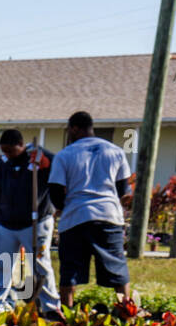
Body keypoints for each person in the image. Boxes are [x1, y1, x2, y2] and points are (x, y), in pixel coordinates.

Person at [49, 111, 133, 308]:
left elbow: (54, 190)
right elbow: (123, 188)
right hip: (109, 215)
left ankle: (68, 317)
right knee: (117, 266)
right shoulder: (115, 151)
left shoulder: (65, 155)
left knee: (70, 271)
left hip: (75, 217)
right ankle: (126, 313)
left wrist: (62, 207)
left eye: (69, 130)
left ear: (75, 128)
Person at [0, 129, 57, 316]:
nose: (7, 154)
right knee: (2, 265)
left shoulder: (38, 160)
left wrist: (44, 160)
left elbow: (56, 168)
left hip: (35, 222)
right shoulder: (3, 166)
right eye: (4, 151)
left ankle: (50, 306)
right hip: (6, 224)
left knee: (40, 265)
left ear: (21, 146)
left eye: (10, 150)